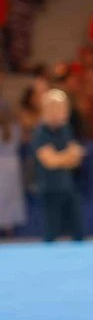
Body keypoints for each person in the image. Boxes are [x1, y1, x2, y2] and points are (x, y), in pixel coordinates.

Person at [29, 88, 85, 242]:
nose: (64, 111)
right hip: (49, 188)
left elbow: (77, 157)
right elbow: (50, 162)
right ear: (48, 109)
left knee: (78, 231)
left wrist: (62, 157)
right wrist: (66, 157)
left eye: (65, 107)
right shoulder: (40, 132)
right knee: (51, 232)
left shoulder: (66, 129)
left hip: (68, 186)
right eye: (60, 107)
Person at [0, 99, 27, 236]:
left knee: (5, 198)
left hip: (5, 166)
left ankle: (7, 229)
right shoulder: (15, 126)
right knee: (9, 199)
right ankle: (9, 230)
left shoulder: (13, 127)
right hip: (12, 165)